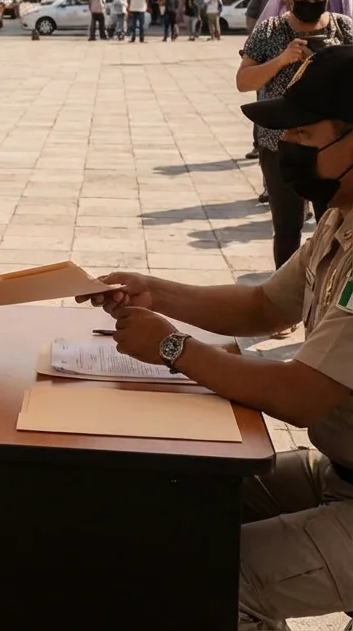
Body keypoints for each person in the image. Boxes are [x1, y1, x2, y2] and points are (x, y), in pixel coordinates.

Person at [81, 44, 353, 631]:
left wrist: (173, 348)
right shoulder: (342, 213)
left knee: (201, 581)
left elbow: (301, 395)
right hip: (340, 472)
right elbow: (263, 305)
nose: (289, 149)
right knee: (179, 497)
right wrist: (153, 291)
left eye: (305, 135)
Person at [237, 0, 353, 269]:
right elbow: (243, 81)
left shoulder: (344, 27)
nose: (311, 4)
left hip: (333, 146)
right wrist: (281, 60)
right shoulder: (270, 30)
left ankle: (328, 288)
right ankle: (286, 294)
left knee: (336, 225)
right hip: (280, 143)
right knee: (287, 226)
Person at [244, 0, 293, 163]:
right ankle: (264, 145)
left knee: (264, 102)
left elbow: (250, 17)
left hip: (270, 58)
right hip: (282, 57)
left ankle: (262, 146)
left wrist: (254, 44)